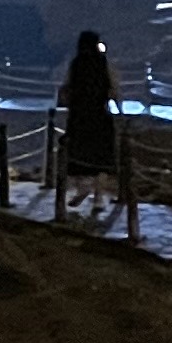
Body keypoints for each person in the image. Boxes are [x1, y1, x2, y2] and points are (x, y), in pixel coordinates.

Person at [58, 28, 119, 222]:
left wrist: (68, 102)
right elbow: (114, 88)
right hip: (99, 116)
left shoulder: (75, 64)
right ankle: (98, 198)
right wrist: (119, 109)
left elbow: (66, 87)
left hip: (78, 117)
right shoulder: (104, 63)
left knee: (77, 154)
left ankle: (82, 188)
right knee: (101, 157)